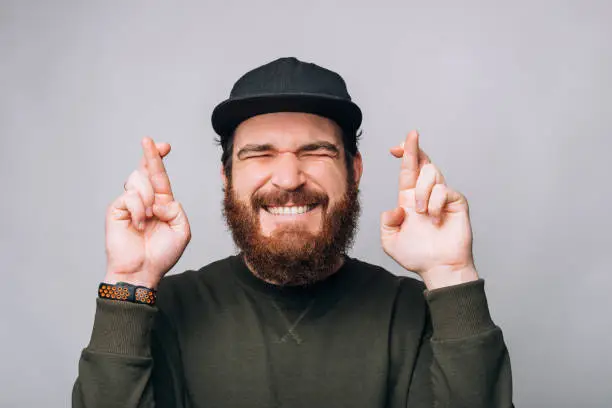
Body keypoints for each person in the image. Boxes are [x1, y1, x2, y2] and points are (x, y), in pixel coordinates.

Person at [72, 57, 513, 408]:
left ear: (354, 171)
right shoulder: (158, 308)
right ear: (227, 177)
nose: (287, 177)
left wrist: (452, 274)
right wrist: (128, 283)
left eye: (315, 151)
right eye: (260, 154)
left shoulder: (419, 314)